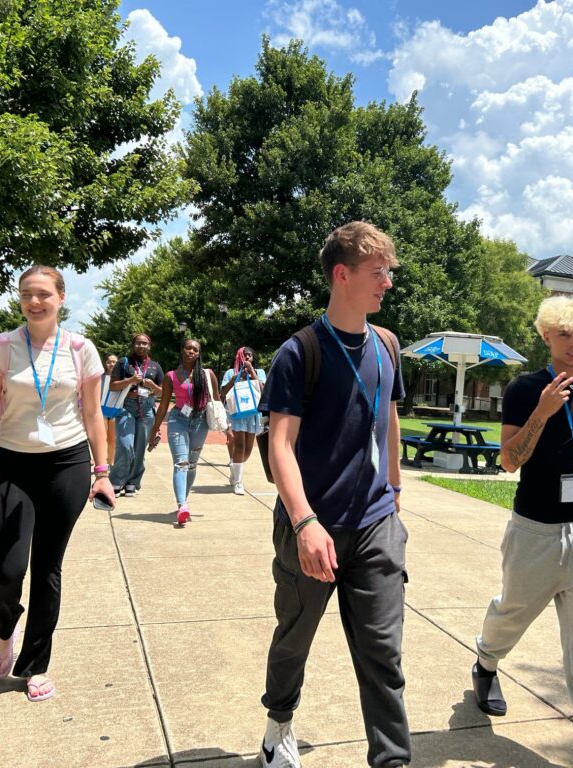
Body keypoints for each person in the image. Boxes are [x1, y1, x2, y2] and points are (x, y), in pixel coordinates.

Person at [257, 221, 408, 768]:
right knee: (294, 639)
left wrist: (393, 496)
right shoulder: (300, 352)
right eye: (378, 272)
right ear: (342, 275)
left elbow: (387, 419)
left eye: (388, 271)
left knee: (383, 655)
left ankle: (392, 759)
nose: (387, 283)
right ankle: (278, 724)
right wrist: (303, 523)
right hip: (311, 526)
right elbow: (280, 446)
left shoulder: (388, 346)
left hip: (375, 526)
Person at [471, 294, 573, 768]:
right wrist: (541, 411)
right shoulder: (524, 388)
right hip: (534, 530)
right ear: (546, 336)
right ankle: (485, 662)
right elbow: (508, 461)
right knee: (512, 613)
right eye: (564, 334)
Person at [0, 265, 112, 703]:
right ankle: (6, 631)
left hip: (67, 465)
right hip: (13, 465)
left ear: (61, 298)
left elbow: (92, 415)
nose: (35, 301)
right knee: (6, 572)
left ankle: (36, 664)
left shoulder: (81, 349)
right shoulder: (1, 348)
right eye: (27, 293)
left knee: (48, 568)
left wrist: (102, 473)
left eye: (44, 294)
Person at [149, 338, 230, 525]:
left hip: (201, 421)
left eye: (195, 349)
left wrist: (228, 428)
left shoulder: (208, 375)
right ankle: (182, 505)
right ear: (182, 350)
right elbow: (163, 407)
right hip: (178, 420)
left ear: (199, 353)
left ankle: (183, 501)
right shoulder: (171, 376)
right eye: (188, 348)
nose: (191, 351)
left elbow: (217, 402)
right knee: (181, 463)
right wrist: (153, 431)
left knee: (192, 464)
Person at [108, 333, 164, 496]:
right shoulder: (124, 363)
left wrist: (152, 385)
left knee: (140, 448)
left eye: (144, 343)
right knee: (125, 445)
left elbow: (162, 392)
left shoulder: (155, 366)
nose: (141, 346)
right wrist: (130, 380)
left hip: (146, 409)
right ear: (133, 345)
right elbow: (113, 386)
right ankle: (117, 481)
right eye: (138, 343)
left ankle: (133, 482)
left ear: (149, 346)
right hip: (126, 407)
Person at [221, 346, 267, 495]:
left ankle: (235, 471)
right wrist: (234, 380)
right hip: (236, 413)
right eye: (244, 355)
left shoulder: (259, 372)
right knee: (239, 446)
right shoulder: (231, 373)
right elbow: (222, 393)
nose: (247, 358)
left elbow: (263, 391)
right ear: (238, 357)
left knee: (247, 450)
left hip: (252, 413)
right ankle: (238, 482)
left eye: (250, 355)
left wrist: (252, 373)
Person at [100, 353, 119, 467]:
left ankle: (110, 462)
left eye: (114, 361)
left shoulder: (121, 377)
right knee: (102, 437)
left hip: (114, 411)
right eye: (109, 362)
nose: (111, 364)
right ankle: (101, 461)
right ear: (105, 363)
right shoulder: (99, 377)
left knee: (112, 438)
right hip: (101, 410)